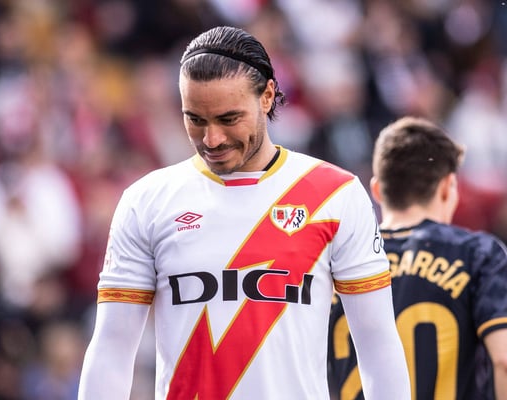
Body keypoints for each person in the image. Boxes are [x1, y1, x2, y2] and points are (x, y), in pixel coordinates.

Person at [78, 26, 410, 400]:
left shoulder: (337, 194)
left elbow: (378, 344)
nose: (212, 139)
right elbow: (111, 349)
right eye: (195, 119)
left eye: (228, 118)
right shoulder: (147, 201)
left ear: (267, 96)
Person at [328, 116, 507, 400]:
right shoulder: (478, 254)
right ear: (447, 187)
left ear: (376, 190)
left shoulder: (337, 259)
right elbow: (504, 359)